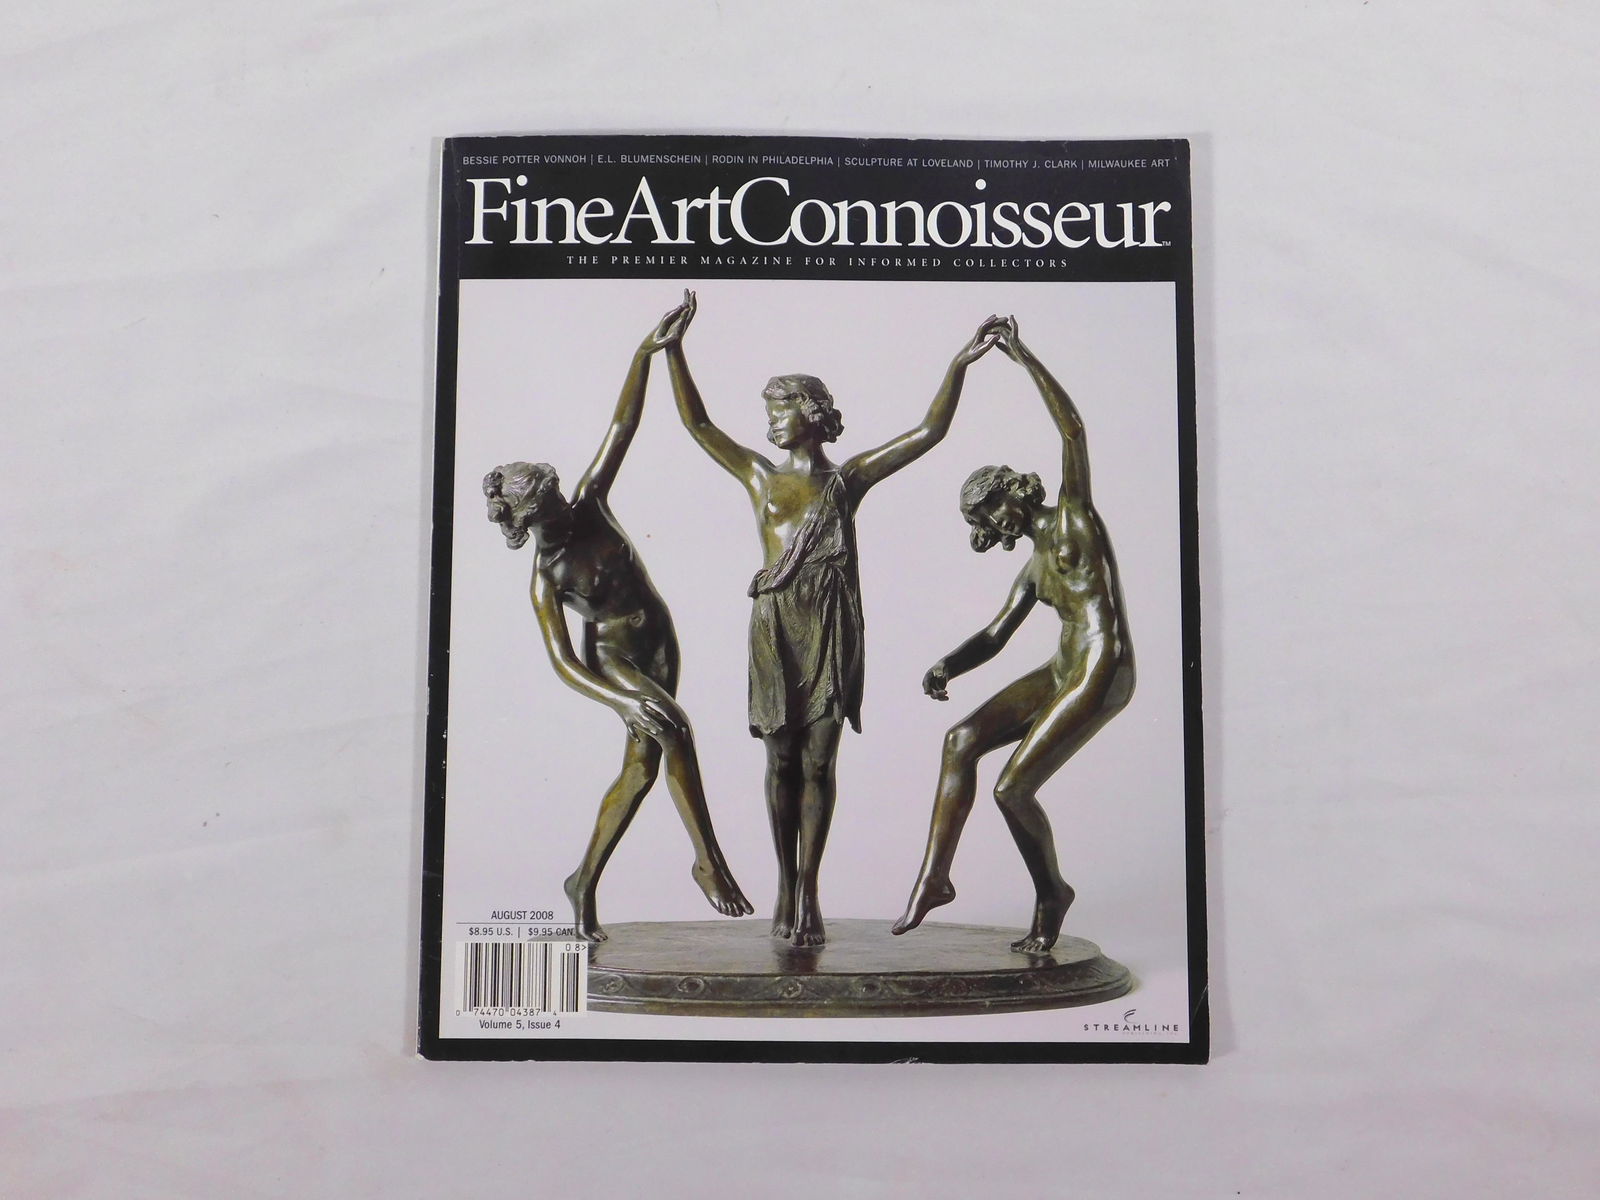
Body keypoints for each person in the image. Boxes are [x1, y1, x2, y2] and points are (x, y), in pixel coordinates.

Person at [660, 289, 1006, 946]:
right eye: (767, 414)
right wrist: (674, 352)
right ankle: (783, 885)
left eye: (780, 411)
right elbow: (699, 426)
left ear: (812, 415)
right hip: (775, 627)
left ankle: (809, 887)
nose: (770, 424)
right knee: (779, 761)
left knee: (819, 762)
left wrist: (960, 364)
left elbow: (928, 434)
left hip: (831, 627)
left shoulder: (847, 480)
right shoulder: (760, 477)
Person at [484, 299, 751, 941]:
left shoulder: (591, 504)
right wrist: (620, 699)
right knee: (675, 729)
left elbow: (622, 425)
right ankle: (708, 862)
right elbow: (563, 662)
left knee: (640, 770)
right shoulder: (547, 578)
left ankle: (583, 881)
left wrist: (644, 353)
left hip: (661, 642)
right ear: (528, 520)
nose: (562, 504)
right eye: (547, 503)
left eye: (556, 492)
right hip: (614, 660)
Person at [892, 318, 1135, 953]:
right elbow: (997, 635)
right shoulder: (1031, 569)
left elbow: (1072, 430)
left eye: (991, 509)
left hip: (1103, 667)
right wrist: (948, 664)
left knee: (1012, 788)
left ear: (1013, 491)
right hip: (1063, 670)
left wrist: (1023, 356)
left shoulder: (1074, 517)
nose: (994, 523)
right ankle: (935, 878)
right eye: (982, 520)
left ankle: (1052, 893)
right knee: (960, 740)